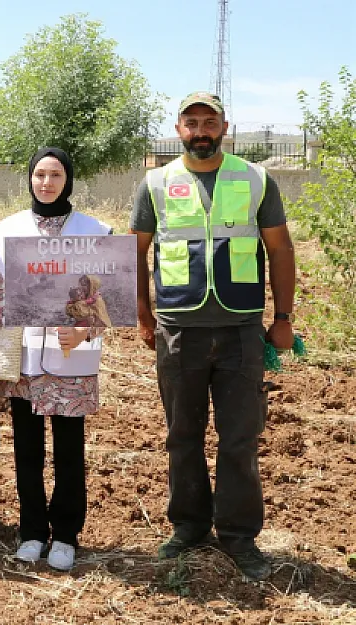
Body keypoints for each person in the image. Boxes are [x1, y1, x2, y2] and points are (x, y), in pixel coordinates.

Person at [131, 92, 296, 581]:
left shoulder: (255, 178)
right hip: (179, 331)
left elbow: (281, 249)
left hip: (242, 330)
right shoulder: (156, 184)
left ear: (226, 126)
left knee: (239, 439)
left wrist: (282, 318)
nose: (200, 130)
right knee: (182, 435)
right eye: (191, 123)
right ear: (178, 129)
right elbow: (134, 255)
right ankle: (189, 527)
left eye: (209, 122)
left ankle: (240, 537)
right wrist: (144, 318)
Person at [0, 147, 112, 572]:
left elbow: (107, 295)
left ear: (68, 180)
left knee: (69, 447)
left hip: (72, 355)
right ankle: (32, 530)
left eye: (55, 174)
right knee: (27, 448)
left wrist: (83, 329)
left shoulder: (94, 230)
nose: (46, 182)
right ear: (29, 179)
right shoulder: (6, 231)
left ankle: (67, 534)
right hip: (24, 355)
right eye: (39, 174)